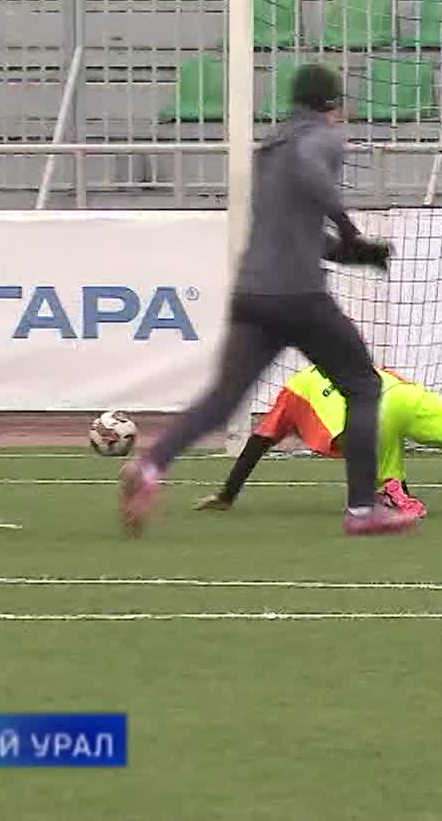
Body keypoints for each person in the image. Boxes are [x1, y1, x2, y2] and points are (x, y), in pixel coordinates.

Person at [119, 64, 415, 538]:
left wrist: (354, 253)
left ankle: (151, 465)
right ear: (330, 105)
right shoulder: (321, 138)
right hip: (298, 295)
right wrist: (350, 229)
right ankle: (363, 509)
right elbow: (314, 174)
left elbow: (296, 233)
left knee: (223, 400)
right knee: (362, 385)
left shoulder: (269, 149)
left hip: (252, 293)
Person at [192, 364, 442, 516]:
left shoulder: (293, 390)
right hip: (406, 394)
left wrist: (227, 494)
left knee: (361, 438)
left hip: (369, 418)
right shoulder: (361, 362)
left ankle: (394, 491)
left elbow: (258, 443)